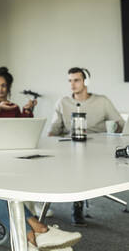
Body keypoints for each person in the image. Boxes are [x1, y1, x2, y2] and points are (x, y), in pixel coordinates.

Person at [48, 67, 124, 226]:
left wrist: (113, 129)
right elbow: (54, 130)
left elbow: (120, 125)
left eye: (76, 80)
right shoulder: (63, 102)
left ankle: (79, 201)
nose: (72, 84)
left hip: (100, 147)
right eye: (70, 80)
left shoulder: (102, 101)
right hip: (73, 147)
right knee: (77, 158)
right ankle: (77, 204)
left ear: (86, 81)